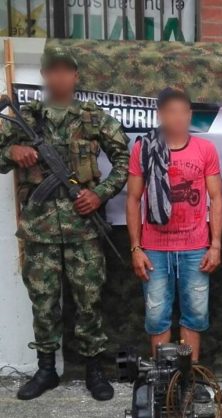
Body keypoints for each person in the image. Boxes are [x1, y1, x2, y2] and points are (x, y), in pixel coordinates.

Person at [0, 46, 129, 401]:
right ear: (44, 75)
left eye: (65, 71)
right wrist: (12, 151)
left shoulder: (93, 117)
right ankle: (46, 370)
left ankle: (94, 370)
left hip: (83, 228)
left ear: (74, 76)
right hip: (39, 229)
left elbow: (124, 159)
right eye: (52, 71)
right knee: (43, 302)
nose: (59, 77)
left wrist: (99, 194)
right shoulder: (26, 116)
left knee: (89, 300)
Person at [126, 88, 222, 367]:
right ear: (160, 115)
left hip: (195, 247)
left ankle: (189, 378)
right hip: (155, 249)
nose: (177, 117)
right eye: (170, 111)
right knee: (157, 317)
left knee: (195, 316)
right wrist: (135, 248)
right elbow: (133, 199)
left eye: (182, 112)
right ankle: (162, 380)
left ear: (190, 115)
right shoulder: (144, 148)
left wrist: (215, 245)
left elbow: (217, 198)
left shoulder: (205, 149)